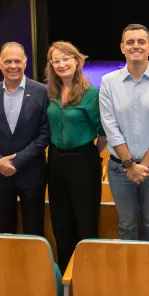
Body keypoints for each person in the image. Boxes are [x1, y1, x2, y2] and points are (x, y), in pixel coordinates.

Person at [99, 24, 149, 244]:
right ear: (122, 47)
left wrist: (142, 166)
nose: (136, 46)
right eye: (130, 42)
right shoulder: (108, 82)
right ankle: (129, 276)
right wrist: (129, 166)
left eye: (141, 42)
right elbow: (110, 127)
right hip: (119, 168)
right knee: (126, 224)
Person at [45, 41, 107, 272]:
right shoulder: (49, 91)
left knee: (86, 222)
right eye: (56, 60)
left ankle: (87, 275)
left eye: (66, 58)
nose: (61, 64)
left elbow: (103, 131)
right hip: (56, 161)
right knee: (61, 223)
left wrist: (90, 154)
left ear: (77, 60)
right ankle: (65, 277)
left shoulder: (91, 94)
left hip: (84, 160)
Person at [0, 42, 50, 235]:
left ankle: (34, 265)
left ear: (25, 63)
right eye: (8, 61)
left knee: (34, 230)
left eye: (17, 61)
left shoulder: (41, 92)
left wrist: (17, 161)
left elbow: (44, 135)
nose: (13, 66)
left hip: (31, 174)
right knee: (3, 230)